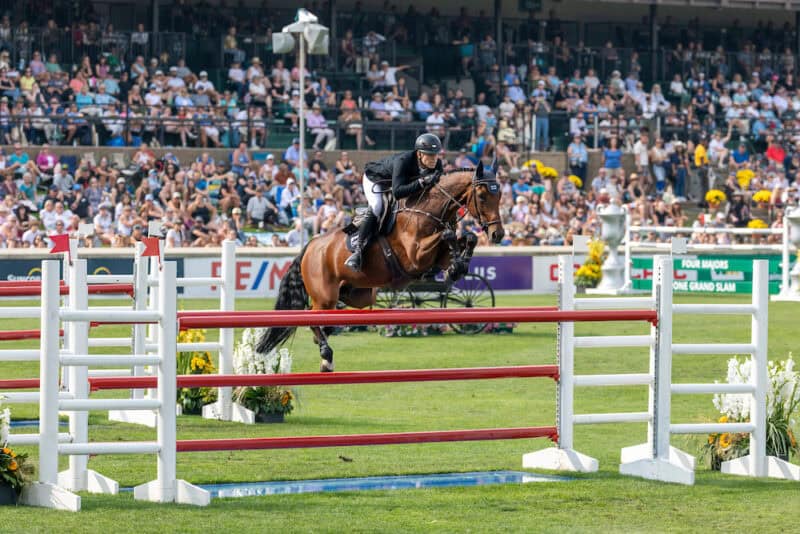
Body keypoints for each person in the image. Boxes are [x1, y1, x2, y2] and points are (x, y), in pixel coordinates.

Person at [345, 133, 444, 271]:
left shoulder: (437, 164)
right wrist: (421, 182)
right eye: (430, 155)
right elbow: (398, 192)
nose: (434, 158)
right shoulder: (404, 161)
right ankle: (358, 251)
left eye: (436, 154)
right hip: (375, 180)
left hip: (396, 183)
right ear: (419, 154)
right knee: (377, 206)